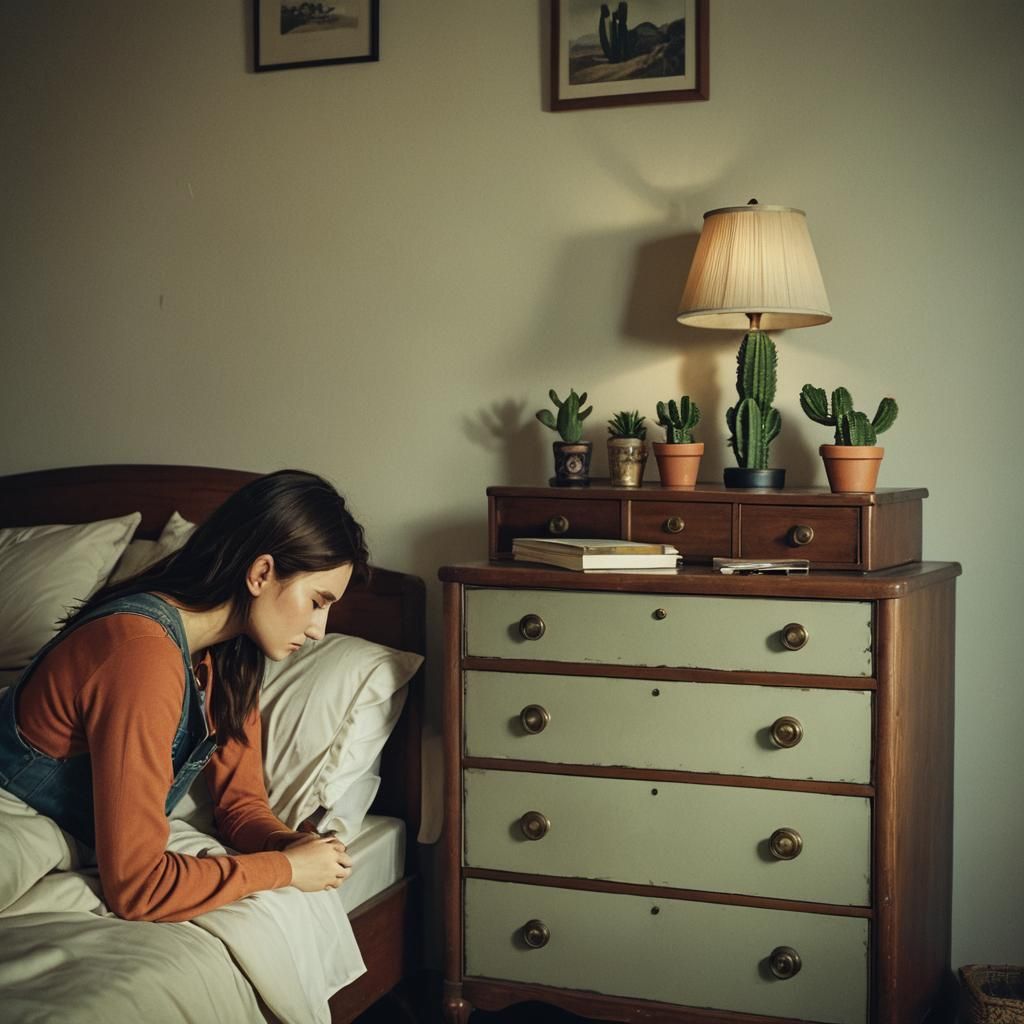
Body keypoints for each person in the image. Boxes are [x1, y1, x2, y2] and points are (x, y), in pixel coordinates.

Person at [0, 470, 368, 922]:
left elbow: (241, 807)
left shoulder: (227, 660)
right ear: (262, 573)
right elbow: (139, 888)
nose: (318, 631)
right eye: (317, 601)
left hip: (70, 838)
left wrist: (291, 844)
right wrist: (285, 869)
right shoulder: (142, 652)